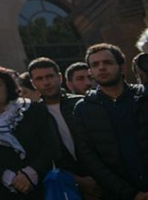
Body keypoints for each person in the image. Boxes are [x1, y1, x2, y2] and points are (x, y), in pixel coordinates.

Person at [0, 65, 61, 199]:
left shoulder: (32, 110)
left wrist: (30, 173)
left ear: (7, 86)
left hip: (42, 187)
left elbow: (51, 146)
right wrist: (6, 176)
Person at [73, 43, 148, 200]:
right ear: (90, 72)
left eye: (107, 63)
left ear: (122, 67)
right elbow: (89, 157)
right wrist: (130, 194)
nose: (101, 68)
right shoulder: (83, 109)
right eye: (95, 64)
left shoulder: (143, 97)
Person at [27, 57, 101, 200]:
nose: (46, 82)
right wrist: (79, 181)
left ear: (59, 77)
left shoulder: (81, 103)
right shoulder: (33, 115)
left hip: (100, 177)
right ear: (33, 83)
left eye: (49, 76)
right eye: (39, 79)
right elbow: (43, 155)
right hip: (66, 185)